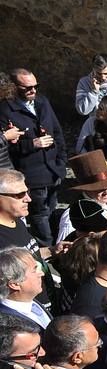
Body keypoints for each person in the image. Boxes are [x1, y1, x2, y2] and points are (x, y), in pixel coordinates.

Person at [1, 68, 68, 246]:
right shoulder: (6, 111)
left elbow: (57, 132)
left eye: (35, 86)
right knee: (39, 215)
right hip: (32, 174)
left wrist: (62, 161)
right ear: (14, 87)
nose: (33, 91)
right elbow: (5, 148)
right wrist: (33, 144)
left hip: (54, 170)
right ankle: (46, 248)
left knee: (52, 210)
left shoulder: (42, 102)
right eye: (27, 88)